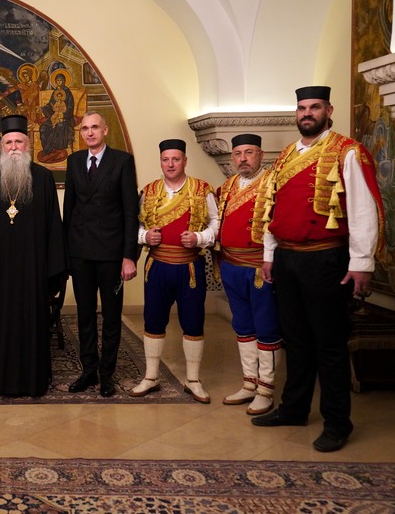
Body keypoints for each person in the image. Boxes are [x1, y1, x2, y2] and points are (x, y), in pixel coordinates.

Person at [252, 86, 384, 452]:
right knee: (295, 340)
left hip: (326, 259)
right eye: (301, 108)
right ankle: (294, 408)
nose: (307, 113)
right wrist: (269, 254)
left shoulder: (347, 152)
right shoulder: (286, 156)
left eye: (314, 107)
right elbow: (272, 208)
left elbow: (362, 210)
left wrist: (362, 263)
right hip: (287, 259)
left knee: (329, 343)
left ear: (329, 110)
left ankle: (338, 422)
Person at [0, 114, 66, 397]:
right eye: (9, 142)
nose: (14, 147)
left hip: (33, 271)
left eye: (19, 142)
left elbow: (53, 225)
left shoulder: (43, 177)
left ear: (28, 145)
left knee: (32, 323)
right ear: (2, 147)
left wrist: (52, 270)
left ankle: (33, 381)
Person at [129, 139, 218, 404]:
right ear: (160, 161)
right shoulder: (148, 191)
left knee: (193, 321)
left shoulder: (202, 190)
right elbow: (134, 225)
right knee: (153, 320)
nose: (170, 164)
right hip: (157, 266)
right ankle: (151, 376)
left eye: (176, 159)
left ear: (185, 161)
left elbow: (216, 222)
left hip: (190, 267)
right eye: (165, 159)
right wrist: (145, 236)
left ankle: (193, 380)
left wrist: (199, 238)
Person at [63, 112, 139, 397]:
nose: (90, 132)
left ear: (105, 130)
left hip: (111, 253)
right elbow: (69, 209)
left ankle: (107, 374)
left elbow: (130, 212)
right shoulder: (74, 161)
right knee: (84, 315)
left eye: (95, 127)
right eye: (85, 128)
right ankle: (88, 370)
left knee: (111, 316)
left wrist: (129, 256)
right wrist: (67, 253)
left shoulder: (122, 161)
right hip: (81, 252)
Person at [215, 134, 281, 415]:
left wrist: (270, 259)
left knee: (266, 326)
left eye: (249, 152)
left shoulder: (273, 182)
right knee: (242, 325)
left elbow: (277, 224)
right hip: (231, 266)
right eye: (238, 153)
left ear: (261, 155)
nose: (243, 159)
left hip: (259, 268)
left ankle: (266, 389)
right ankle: (249, 383)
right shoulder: (228, 186)